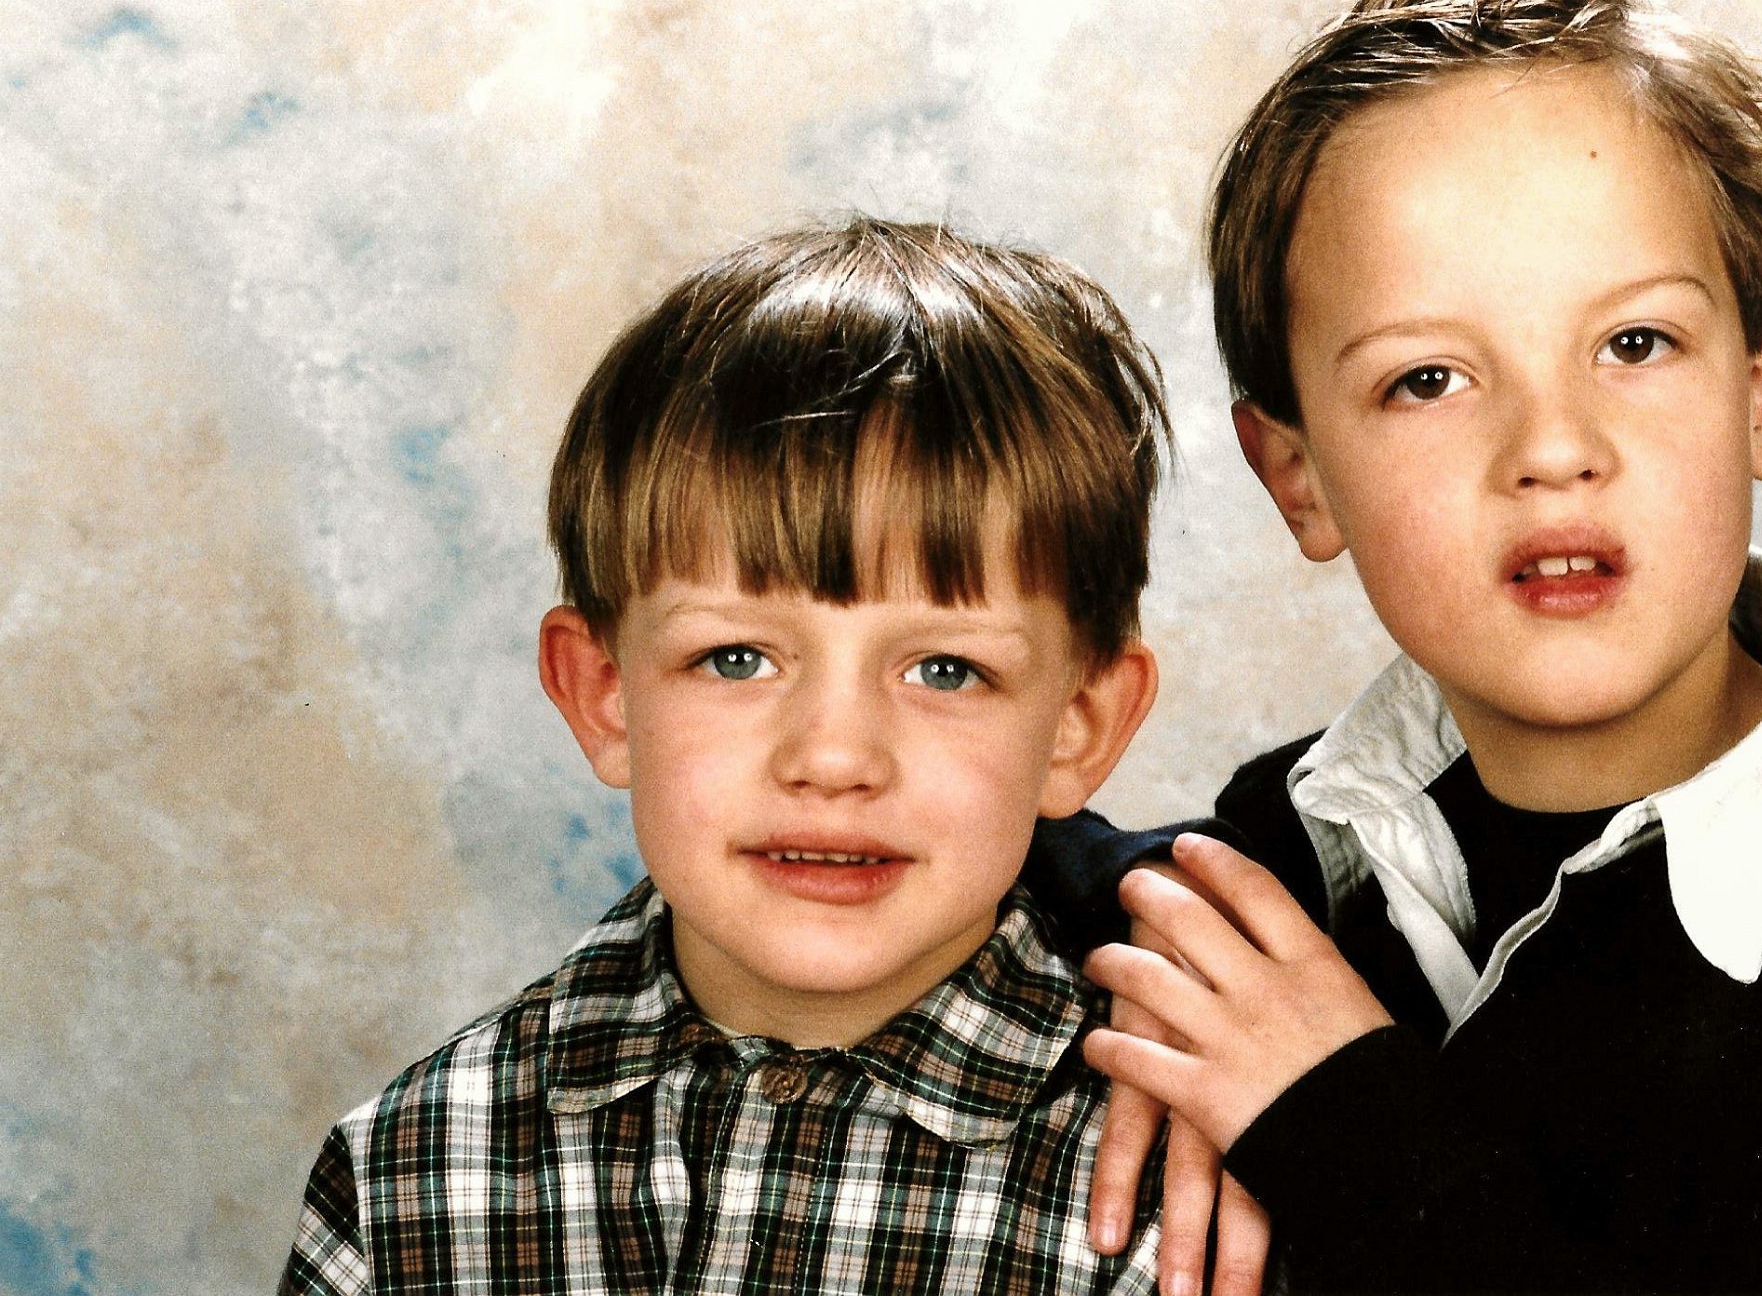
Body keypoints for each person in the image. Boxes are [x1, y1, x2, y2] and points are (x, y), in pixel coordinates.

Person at [1025, 0, 1762, 1293]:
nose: (1552, 449)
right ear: (1296, 476)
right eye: (1429, 379)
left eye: (1634, 344)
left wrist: (1339, 1122)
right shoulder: (1296, 853)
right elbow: (976, 830)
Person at [278, 218, 1184, 1294]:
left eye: (945, 670)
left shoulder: (1178, 1201)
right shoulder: (410, 1176)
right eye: (736, 658)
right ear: (604, 694)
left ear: (1080, 722)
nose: (833, 758)